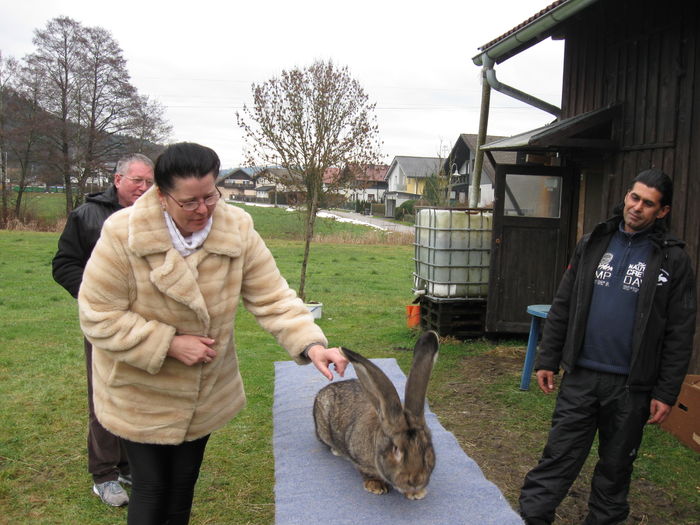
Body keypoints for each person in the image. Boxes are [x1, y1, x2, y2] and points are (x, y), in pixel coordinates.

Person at [77, 142, 348, 524]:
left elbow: (273, 297)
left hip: (205, 390)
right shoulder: (124, 234)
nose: (203, 209)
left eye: (210, 196)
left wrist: (312, 343)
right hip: (141, 390)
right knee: (152, 486)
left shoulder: (235, 228)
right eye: (189, 202)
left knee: (183, 484)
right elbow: (97, 315)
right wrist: (168, 343)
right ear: (161, 194)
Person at [518, 169, 697, 525]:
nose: (637, 207)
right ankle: (530, 518)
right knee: (558, 457)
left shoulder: (672, 260)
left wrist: (665, 391)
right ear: (626, 196)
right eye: (634, 197)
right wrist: (548, 358)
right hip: (582, 375)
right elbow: (564, 302)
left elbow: (680, 331)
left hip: (632, 388)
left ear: (662, 211)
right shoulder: (594, 242)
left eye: (648, 204)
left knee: (615, 470)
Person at [52, 153, 155, 507]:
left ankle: (128, 465)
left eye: (149, 182)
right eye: (137, 181)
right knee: (104, 396)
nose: (143, 188)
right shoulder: (87, 215)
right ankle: (104, 475)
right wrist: (95, 297)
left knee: (136, 392)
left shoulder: (157, 215)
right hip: (105, 322)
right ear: (117, 180)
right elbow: (64, 263)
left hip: (145, 322)